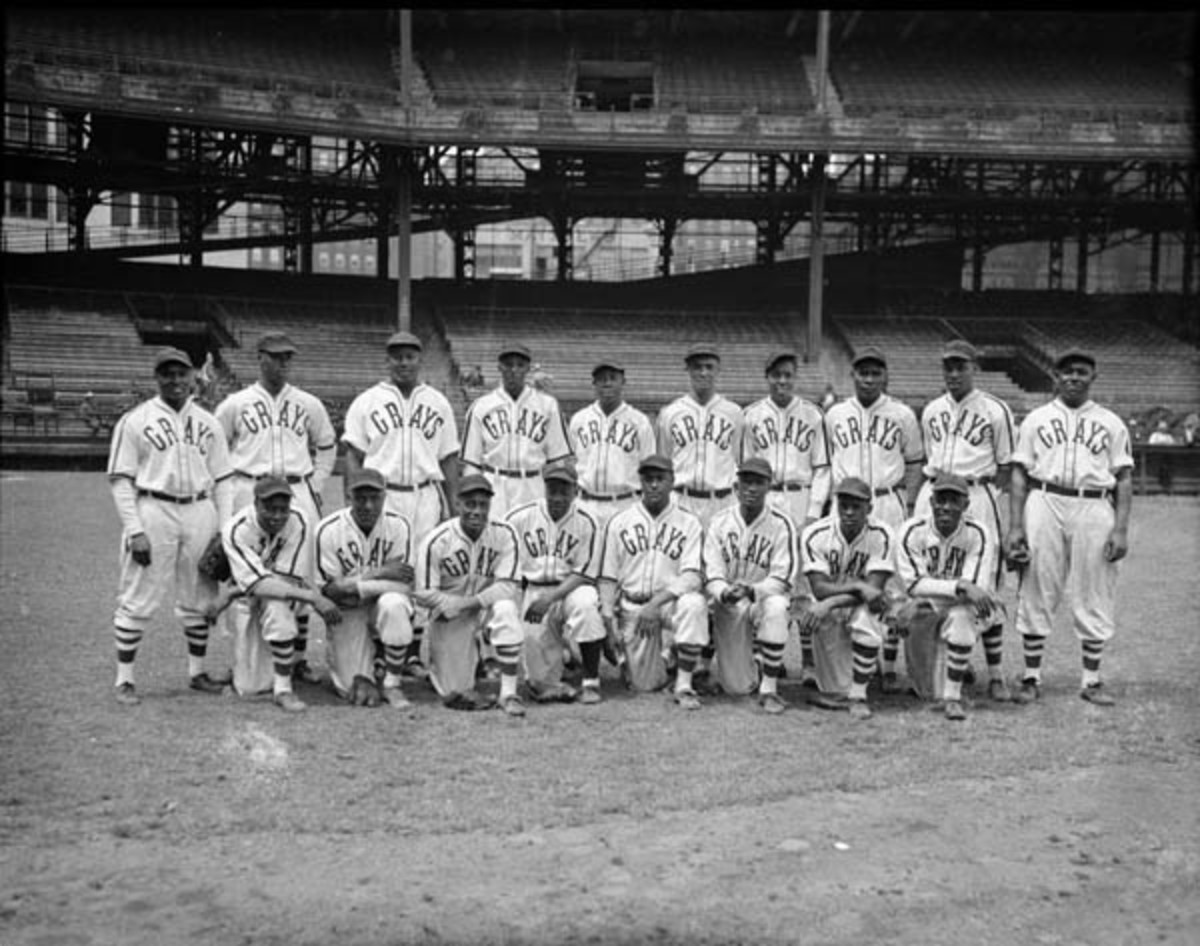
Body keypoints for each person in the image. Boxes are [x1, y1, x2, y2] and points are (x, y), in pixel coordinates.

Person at [106, 347, 235, 705]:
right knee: (139, 593)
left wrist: (224, 530)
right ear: (157, 377)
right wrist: (135, 531)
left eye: (181, 373)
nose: (175, 380)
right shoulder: (136, 420)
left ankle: (196, 673)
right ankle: (125, 680)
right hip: (153, 506)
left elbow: (224, 479)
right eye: (167, 373)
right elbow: (120, 480)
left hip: (199, 508)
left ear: (194, 376)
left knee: (199, 592)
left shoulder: (208, 421)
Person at [1004, 349, 1133, 706]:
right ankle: (1031, 677)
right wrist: (1015, 525)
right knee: (1037, 583)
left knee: (1094, 586)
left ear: (1093, 377)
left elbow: (1123, 477)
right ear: (1055, 377)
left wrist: (1121, 529)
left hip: (1094, 503)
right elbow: (1019, 472)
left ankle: (1091, 680)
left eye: (1081, 372)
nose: (1073, 377)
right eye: (1066, 372)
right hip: (1044, 499)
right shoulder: (1036, 419)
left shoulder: (1111, 422)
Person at [215, 331, 338, 684]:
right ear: (260, 357)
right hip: (248, 488)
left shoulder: (308, 403)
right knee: (242, 577)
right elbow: (216, 451)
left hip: (297, 488)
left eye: (288, 357)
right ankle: (239, 660)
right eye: (276, 356)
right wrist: (226, 497)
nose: (283, 363)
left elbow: (327, 445)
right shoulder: (235, 403)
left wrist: (315, 484)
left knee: (300, 573)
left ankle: (297, 658)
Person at [341, 330, 461, 678]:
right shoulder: (367, 401)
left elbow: (450, 457)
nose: (403, 362)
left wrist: (452, 504)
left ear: (419, 359)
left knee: (423, 571)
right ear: (387, 360)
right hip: (383, 494)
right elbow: (354, 454)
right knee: (387, 568)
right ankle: (383, 648)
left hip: (425, 494)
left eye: (409, 356)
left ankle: (410, 652)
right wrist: (352, 497)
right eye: (397, 356)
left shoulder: (437, 401)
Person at [912, 339, 1017, 701]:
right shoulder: (931, 410)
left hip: (976, 492)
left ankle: (997, 673)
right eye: (948, 366)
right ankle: (953, 656)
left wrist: (987, 499)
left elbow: (1006, 466)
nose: (954, 373)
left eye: (961, 366)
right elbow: (926, 456)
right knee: (937, 576)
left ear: (974, 367)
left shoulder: (995, 409)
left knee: (984, 584)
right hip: (935, 489)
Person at [823, 346, 924, 688]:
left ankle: (890, 666)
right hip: (848, 504)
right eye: (862, 372)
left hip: (886, 499)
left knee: (892, 584)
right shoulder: (835, 414)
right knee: (849, 576)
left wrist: (909, 507)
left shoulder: (903, 414)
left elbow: (914, 465)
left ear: (884, 376)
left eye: (875, 373)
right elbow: (826, 465)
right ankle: (851, 659)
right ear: (852, 375)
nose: (868, 378)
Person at [741, 349, 831, 688]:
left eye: (788, 374)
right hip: (765, 497)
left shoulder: (813, 414)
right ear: (767, 377)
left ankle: (808, 660)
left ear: (796, 377)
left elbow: (823, 468)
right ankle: (762, 658)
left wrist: (813, 513)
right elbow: (745, 469)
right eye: (776, 374)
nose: (782, 380)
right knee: (765, 576)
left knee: (803, 584)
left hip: (799, 495)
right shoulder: (750, 415)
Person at [221, 476, 342, 712]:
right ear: (255, 503)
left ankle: (284, 687)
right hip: (249, 599)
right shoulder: (236, 529)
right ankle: (253, 666)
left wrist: (228, 594)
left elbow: (286, 580)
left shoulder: (298, 519)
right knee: (249, 688)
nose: (277, 516)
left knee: (278, 605)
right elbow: (257, 585)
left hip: (287, 594)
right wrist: (314, 598)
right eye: (270, 508)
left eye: (282, 508)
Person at [598, 455, 707, 708]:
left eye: (660, 479)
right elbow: (607, 578)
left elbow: (692, 576)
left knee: (695, 604)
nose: (654, 485)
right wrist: (609, 622)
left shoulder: (689, 522)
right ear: (641, 483)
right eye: (648, 479)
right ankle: (658, 660)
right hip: (633, 606)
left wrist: (656, 604)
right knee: (644, 686)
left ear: (672, 481)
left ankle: (684, 683)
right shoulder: (619, 522)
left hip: (668, 605)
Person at [414, 474, 528, 716]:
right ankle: (465, 658)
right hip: (450, 613)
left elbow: (508, 585)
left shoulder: (505, 533)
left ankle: (508, 693)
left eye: (482, 505)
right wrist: (447, 605)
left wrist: (467, 604)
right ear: (457, 504)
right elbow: (423, 592)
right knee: (455, 691)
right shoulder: (437, 540)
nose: (476, 511)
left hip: (484, 606)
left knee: (506, 608)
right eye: (470, 504)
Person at [895, 473, 1002, 720]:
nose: (946, 507)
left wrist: (936, 594)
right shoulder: (912, 531)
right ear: (931, 502)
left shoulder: (979, 532)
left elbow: (977, 589)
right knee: (926, 691)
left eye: (954, 501)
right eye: (941, 500)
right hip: (926, 607)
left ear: (965, 505)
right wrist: (957, 587)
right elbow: (913, 585)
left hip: (956, 608)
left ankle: (953, 697)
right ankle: (933, 669)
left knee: (966, 615)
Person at [505, 463, 606, 704]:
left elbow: (585, 574)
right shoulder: (520, 517)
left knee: (586, 604)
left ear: (575, 491)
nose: (558, 497)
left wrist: (550, 599)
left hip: (571, 588)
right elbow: (504, 559)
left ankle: (591, 681)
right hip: (534, 589)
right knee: (539, 680)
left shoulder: (587, 521)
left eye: (564, 491)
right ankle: (565, 659)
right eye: (553, 490)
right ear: (545, 489)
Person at [703, 457, 798, 713]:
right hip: (729, 603)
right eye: (746, 482)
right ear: (737, 486)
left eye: (759, 482)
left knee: (778, 606)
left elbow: (784, 577)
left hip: (761, 601)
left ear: (769, 487)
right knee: (737, 688)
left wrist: (753, 590)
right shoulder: (719, 521)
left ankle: (769, 687)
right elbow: (711, 571)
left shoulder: (781, 524)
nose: (752, 488)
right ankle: (752, 662)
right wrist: (724, 591)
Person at [315, 468, 416, 709]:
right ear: (349, 496)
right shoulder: (328, 529)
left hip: (379, 605)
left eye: (374, 498)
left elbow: (404, 585)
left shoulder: (399, 526)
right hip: (347, 612)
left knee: (394, 604)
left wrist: (351, 585)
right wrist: (377, 574)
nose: (368, 505)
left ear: (384, 496)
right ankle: (376, 659)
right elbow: (329, 592)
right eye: (361, 498)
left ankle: (392, 683)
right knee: (349, 687)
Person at [798, 477, 898, 720]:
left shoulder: (882, 534)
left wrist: (831, 602)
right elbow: (819, 588)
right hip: (830, 611)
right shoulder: (816, 533)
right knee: (833, 689)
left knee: (870, 613)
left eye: (857, 506)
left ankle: (859, 695)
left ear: (870, 509)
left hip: (864, 607)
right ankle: (854, 675)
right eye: (844, 505)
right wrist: (855, 585)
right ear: (836, 505)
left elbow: (873, 592)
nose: (850, 512)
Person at [461, 341, 573, 520]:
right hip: (494, 483)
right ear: (499, 367)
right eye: (508, 364)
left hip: (533, 483)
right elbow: (472, 463)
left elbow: (558, 460)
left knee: (531, 542)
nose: (514, 370)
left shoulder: (548, 405)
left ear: (528, 368)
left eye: (520, 365)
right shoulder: (481, 406)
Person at [656, 341, 745, 533]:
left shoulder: (734, 413)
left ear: (718, 369)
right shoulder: (670, 413)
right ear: (687, 369)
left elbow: (737, 458)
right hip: (681, 499)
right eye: (697, 367)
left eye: (709, 367)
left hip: (722, 502)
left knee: (719, 561)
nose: (703, 373)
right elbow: (664, 461)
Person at [568, 358, 656, 535]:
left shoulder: (639, 421)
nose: (607, 383)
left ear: (623, 382)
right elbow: (569, 464)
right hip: (585, 503)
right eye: (602, 379)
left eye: (612, 378)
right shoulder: (579, 420)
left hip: (625, 504)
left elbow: (649, 468)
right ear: (594, 383)